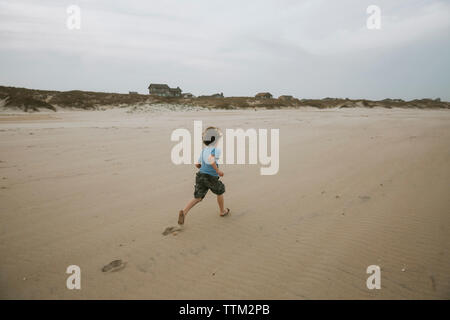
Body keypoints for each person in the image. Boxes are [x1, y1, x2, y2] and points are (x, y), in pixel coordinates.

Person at [178, 127, 230, 225]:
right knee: (220, 191)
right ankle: (222, 211)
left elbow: (197, 164)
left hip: (200, 175)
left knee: (198, 197)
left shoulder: (204, 151)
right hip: (211, 177)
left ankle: (184, 212)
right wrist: (218, 170)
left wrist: (204, 167)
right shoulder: (215, 150)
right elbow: (211, 160)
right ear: (215, 141)